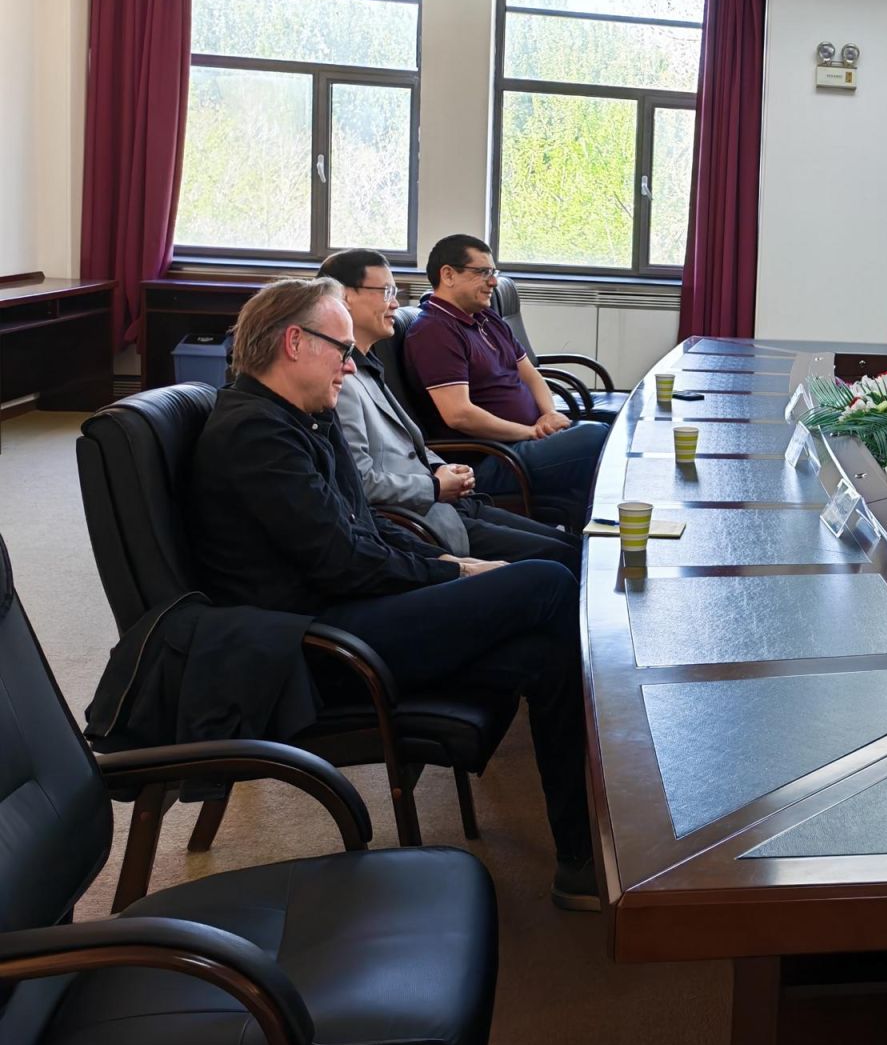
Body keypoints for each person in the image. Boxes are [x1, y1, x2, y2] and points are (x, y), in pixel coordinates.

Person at [185, 278, 599, 910]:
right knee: (547, 581)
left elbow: (368, 529)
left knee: (546, 651)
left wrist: (448, 559)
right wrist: (455, 575)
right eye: (341, 350)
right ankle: (595, 819)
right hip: (315, 645)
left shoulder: (302, 417)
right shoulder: (255, 435)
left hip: (349, 612)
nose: (351, 366)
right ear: (294, 343)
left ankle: (579, 852)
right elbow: (344, 563)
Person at [322, 248, 577, 569]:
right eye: (386, 292)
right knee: (564, 559)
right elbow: (360, 482)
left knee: (573, 547)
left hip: (451, 502)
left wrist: (448, 470)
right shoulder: (341, 382)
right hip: (426, 519)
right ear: (345, 298)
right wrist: (435, 485)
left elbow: (410, 444)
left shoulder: (368, 365)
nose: (396, 303)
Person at [403, 233, 608, 528]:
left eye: (493, 272)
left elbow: (530, 374)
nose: (493, 282)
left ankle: (586, 534)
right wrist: (530, 432)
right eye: (483, 272)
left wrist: (549, 413)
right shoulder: (434, 331)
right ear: (448, 275)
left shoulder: (487, 319)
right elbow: (459, 414)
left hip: (520, 444)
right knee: (595, 437)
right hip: (491, 458)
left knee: (599, 438)